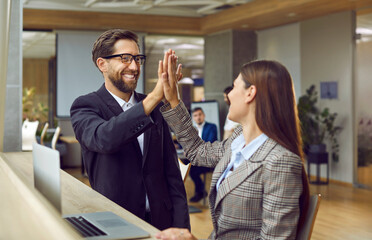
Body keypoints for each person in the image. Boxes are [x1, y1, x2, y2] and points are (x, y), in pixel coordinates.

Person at [156, 57, 310, 239]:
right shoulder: (238, 140)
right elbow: (198, 151)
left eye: (234, 87)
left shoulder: (280, 161)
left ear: (250, 93)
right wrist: (174, 100)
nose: (228, 95)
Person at [70, 29, 190, 231]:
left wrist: (182, 227)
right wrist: (154, 98)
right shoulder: (85, 105)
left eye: (137, 59)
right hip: (116, 222)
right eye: (125, 58)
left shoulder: (156, 106)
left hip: (162, 222)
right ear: (102, 64)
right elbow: (104, 138)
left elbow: (172, 173)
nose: (134, 67)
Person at [189, 107, 217, 202]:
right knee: (187, 167)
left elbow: (209, 142)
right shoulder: (191, 129)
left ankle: (200, 192)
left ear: (204, 115)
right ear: (193, 118)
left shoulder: (212, 127)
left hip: (208, 160)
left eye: (200, 114)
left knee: (192, 171)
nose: (198, 117)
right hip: (195, 159)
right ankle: (200, 192)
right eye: (195, 115)